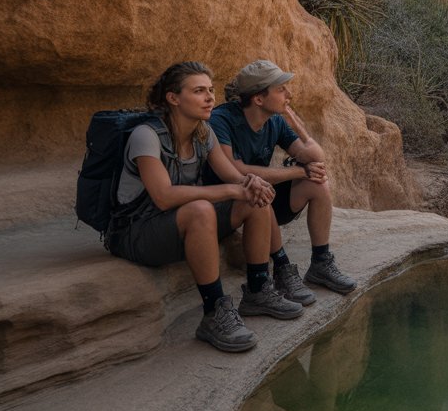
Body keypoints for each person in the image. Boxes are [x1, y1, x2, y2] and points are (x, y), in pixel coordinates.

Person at [106, 61, 306, 353]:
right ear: (173, 98)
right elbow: (163, 197)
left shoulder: (203, 133)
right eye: (199, 91)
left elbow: (233, 176)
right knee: (201, 208)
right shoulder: (146, 136)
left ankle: (258, 289)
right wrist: (232, 189)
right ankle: (214, 312)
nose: (210, 97)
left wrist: (250, 183)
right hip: (137, 232)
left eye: (211, 90)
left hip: (177, 224)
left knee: (253, 199)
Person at [204, 59, 357, 300]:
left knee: (317, 182)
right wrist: (298, 172)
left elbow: (316, 157)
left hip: (259, 195)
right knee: (262, 190)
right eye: (281, 89)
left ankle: (320, 263)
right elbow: (237, 170)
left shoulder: (275, 120)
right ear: (258, 99)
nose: (289, 95)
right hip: (228, 202)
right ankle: (282, 268)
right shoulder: (221, 120)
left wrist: (294, 121)